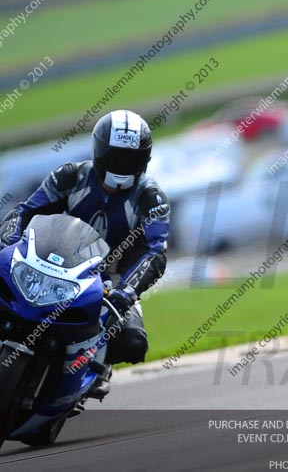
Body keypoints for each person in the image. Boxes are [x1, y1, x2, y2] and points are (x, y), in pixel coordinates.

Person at [0, 110, 169, 398]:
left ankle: (95, 370)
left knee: (131, 341)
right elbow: (25, 212)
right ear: (99, 151)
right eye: (116, 156)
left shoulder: (151, 198)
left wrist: (127, 291)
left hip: (113, 280)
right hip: (54, 262)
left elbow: (155, 252)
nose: (122, 165)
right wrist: (8, 243)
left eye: (132, 158)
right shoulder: (70, 176)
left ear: (145, 159)